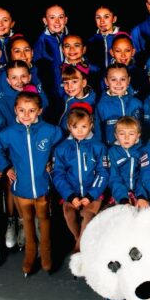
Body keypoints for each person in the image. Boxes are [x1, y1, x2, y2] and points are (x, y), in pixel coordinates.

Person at [0, 91, 63, 274]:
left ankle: (45, 250)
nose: (26, 115)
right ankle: (30, 252)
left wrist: (53, 161)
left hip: (42, 185)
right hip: (21, 186)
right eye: (22, 110)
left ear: (39, 111)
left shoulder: (50, 130)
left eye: (31, 110)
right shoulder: (8, 133)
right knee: (27, 220)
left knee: (44, 218)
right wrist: (6, 168)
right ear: (15, 110)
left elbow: (63, 147)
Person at [53, 105, 109, 253]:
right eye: (75, 126)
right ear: (69, 127)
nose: (79, 131)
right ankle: (80, 240)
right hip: (72, 193)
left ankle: (78, 249)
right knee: (68, 212)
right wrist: (70, 196)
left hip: (93, 193)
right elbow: (58, 175)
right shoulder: (62, 148)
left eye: (84, 126)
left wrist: (91, 195)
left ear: (91, 125)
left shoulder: (98, 147)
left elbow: (102, 173)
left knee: (88, 214)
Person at [95, 63, 144, 144]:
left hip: (136, 151)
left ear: (128, 80)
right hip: (112, 152)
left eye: (123, 79)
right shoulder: (101, 105)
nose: (118, 83)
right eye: (113, 79)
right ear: (106, 81)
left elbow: (143, 130)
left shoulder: (137, 103)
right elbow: (98, 134)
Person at [107, 116, 149, 207]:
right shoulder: (112, 152)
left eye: (131, 134)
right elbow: (114, 178)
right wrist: (123, 198)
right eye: (122, 134)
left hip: (142, 193)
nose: (126, 138)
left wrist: (141, 196)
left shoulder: (144, 151)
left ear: (138, 135)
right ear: (116, 136)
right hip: (120, 194)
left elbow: (145, 175)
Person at [87, 5, 121, 70]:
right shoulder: (90, 42)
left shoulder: (124, 39)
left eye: (106, 17)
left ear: (114, 19)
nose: (102, 21)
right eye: (98, 17)